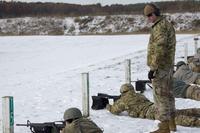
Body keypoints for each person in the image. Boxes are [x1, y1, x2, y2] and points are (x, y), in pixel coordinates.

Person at [106, 84, 200, 132]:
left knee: (176, 119)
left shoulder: (124, 100)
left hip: (151, 112)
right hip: (156, 105)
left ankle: (197, 122)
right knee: (176, 113)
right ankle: (197, 111)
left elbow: (115, 110)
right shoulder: (139, 95)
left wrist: (107, 106)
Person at [144, 3, 176, 132]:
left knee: (161, 98)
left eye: (150, 15)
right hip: (167, 67)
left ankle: (164, 127)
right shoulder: (166, 24)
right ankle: (172, 123)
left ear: (156, 13)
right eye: (147, 16)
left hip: (161, 68)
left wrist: (153, 68)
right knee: (168, 96)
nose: (149, 18)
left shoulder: (160, 27)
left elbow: (160, 50)